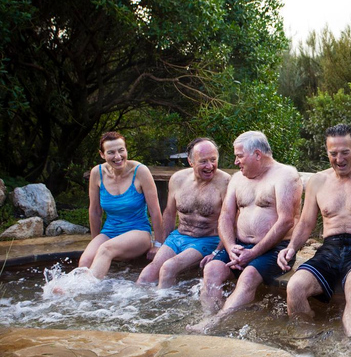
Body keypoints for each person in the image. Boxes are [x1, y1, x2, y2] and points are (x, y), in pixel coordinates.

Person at [277, 124, 351, 337]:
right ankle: (306, 343)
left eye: (345, 152)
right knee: (295, 287)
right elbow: (305, 223)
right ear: (326, 151)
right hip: (329, 249)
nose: (339, 159)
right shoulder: (318, 181)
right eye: (334, 153)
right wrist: (291, 248)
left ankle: (349, 351)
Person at [187, 131, 302, 333]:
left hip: (274, 249)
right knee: (212, 270)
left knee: (248, 276)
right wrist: (231, 247)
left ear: (257, 154)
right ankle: (211, 317)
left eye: (239, 156)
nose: (236, 161)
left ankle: (214, 324)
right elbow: (226, 216)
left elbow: (286, 221)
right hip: (240, 246)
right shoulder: (238, 178)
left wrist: (254, 252)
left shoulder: (285, 176)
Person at [136, 138, 230, 288]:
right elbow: (169, 213)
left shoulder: (225, 182)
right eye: (203, 161)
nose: (210, 166)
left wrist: (217, 252)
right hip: (178, 237)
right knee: (146, 276)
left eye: (213, 160)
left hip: (207, 239)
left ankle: (165, 310)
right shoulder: (178, 179)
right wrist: (161, 243)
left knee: (168, 268)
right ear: (191, 161)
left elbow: (230, 221)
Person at [79, 132, 163, 279]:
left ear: (126, 150)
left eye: (121, 150)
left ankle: (84, 291)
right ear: (102, 154)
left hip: (138, 232)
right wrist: (95, 240)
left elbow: (155, 210)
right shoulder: (97, 173)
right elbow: (95, 211)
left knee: (105, 249)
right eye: (111, 152)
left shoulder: (140, 171)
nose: (118, 157)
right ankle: (75, 292)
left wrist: (158, 244)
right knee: (85, 260)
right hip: (110, 231)